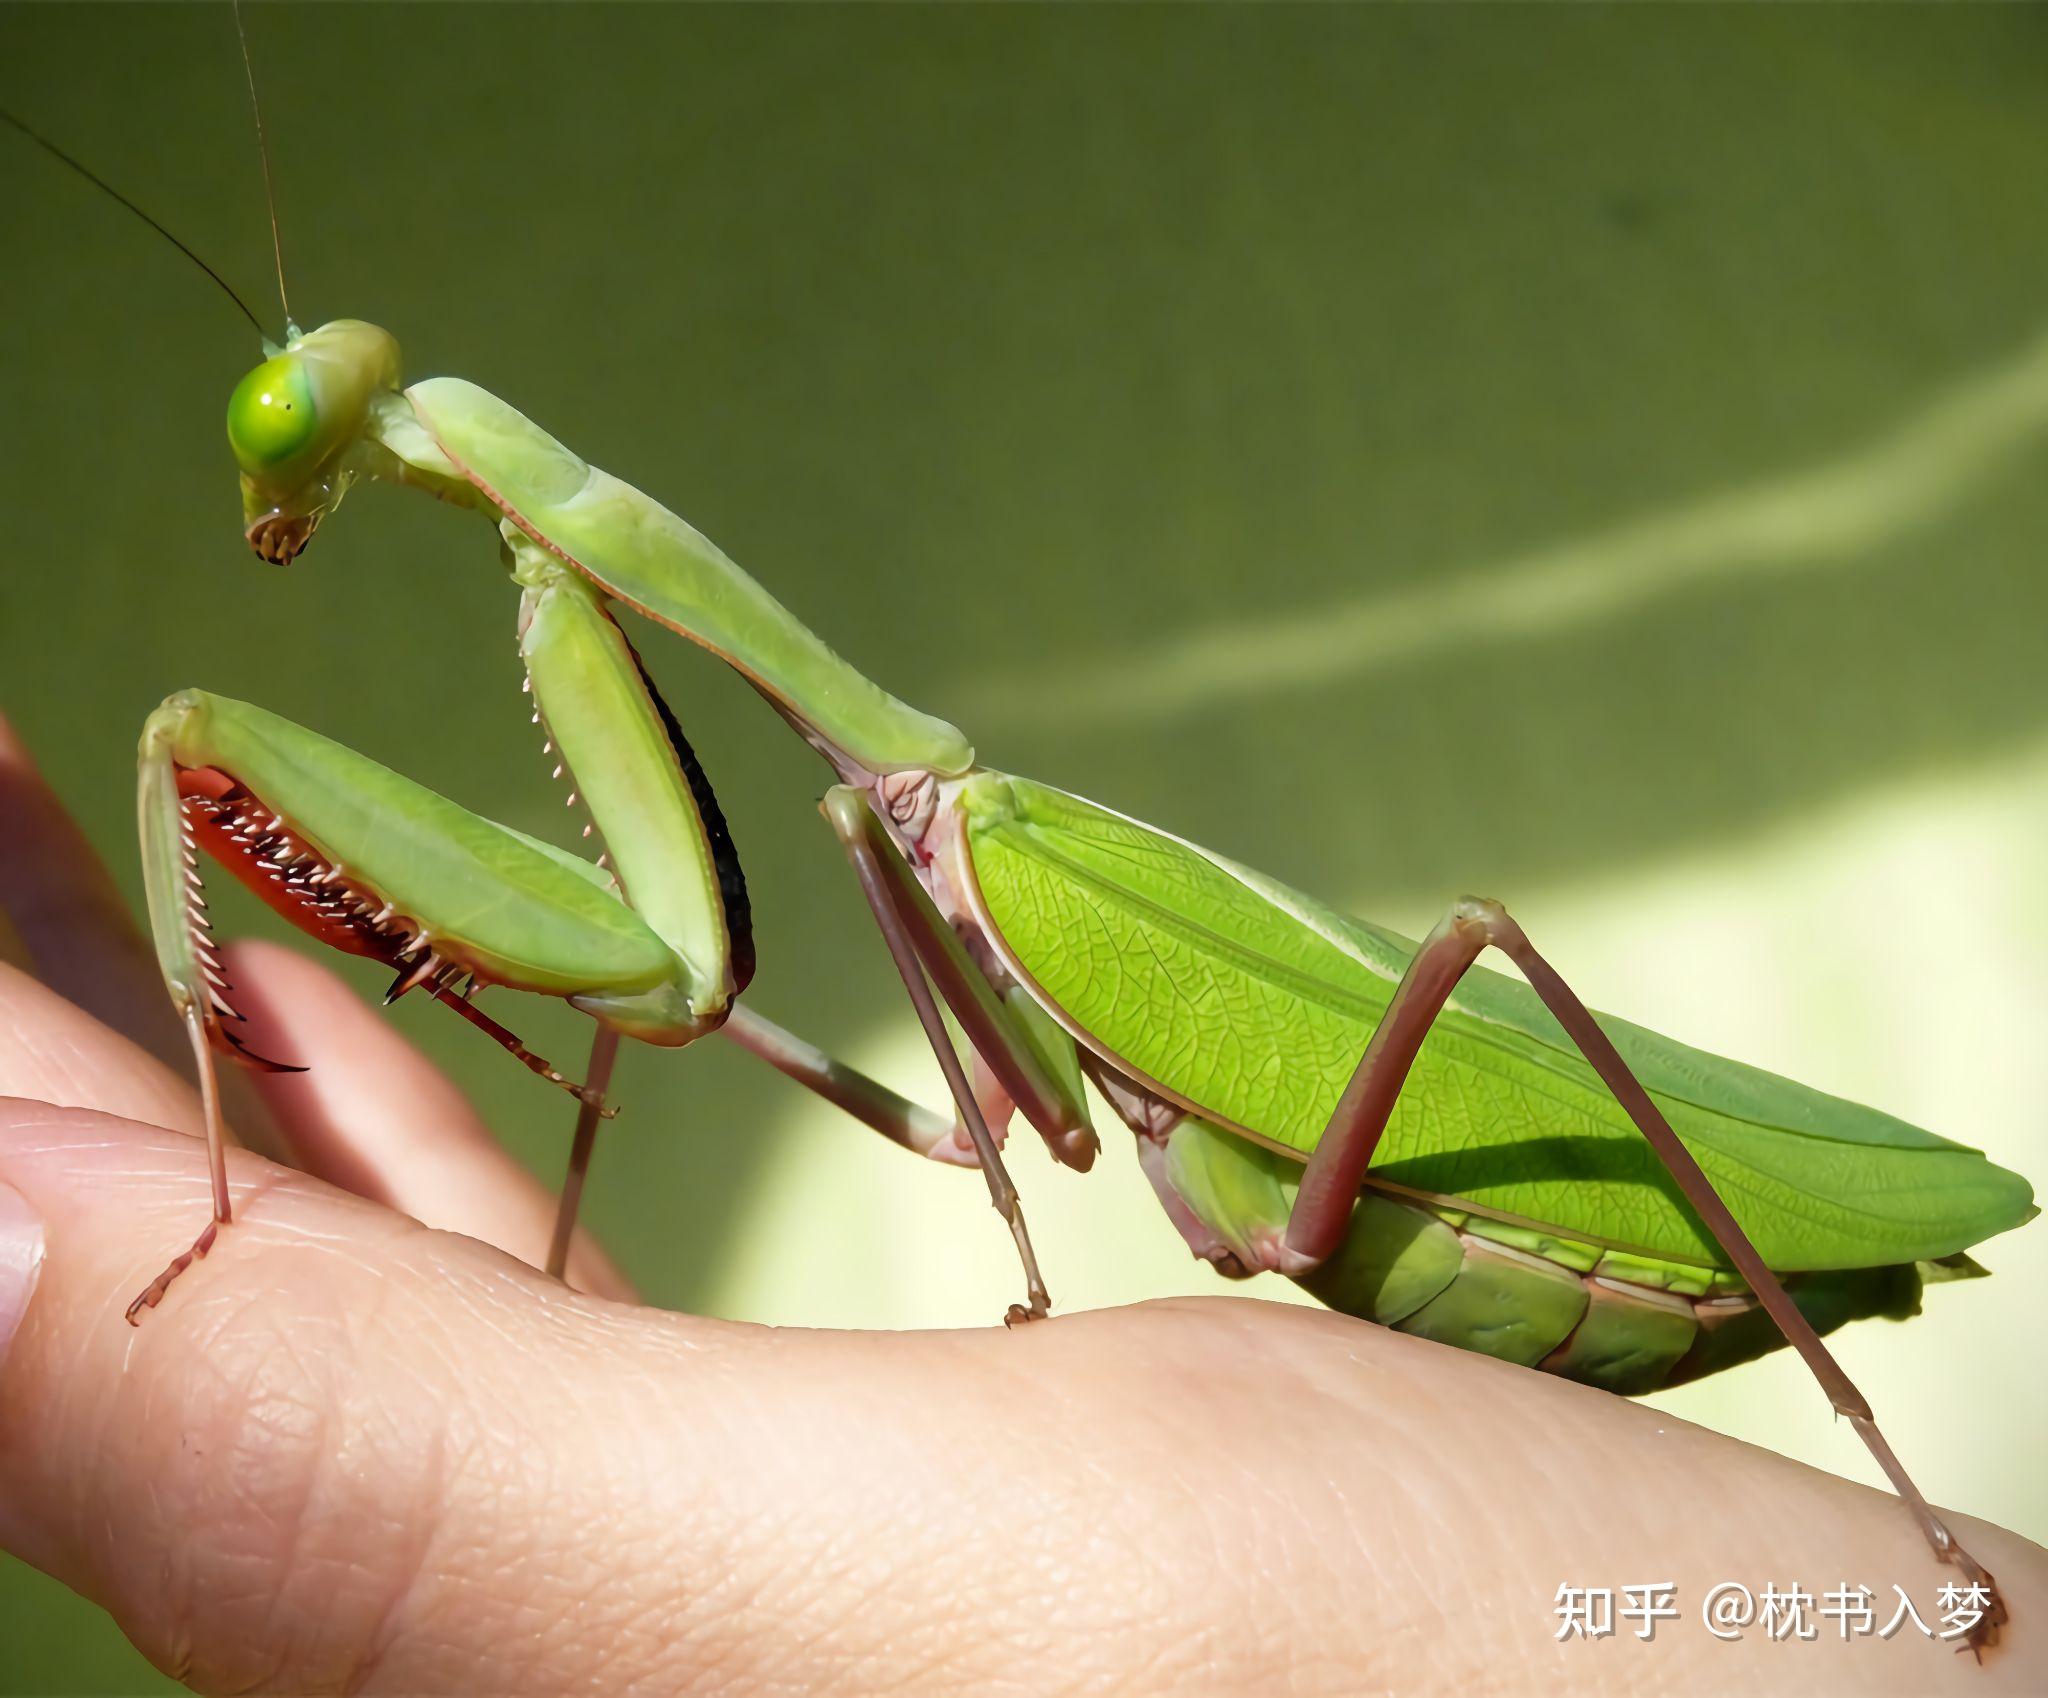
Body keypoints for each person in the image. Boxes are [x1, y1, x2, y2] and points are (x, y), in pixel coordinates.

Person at [0, 715, 2036, 1695]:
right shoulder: (890, 827)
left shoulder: (963, 830)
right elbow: (673, 995)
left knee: (1463, 946)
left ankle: (1883, 1479)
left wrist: (1916, 1619)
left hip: (1491, 1236)